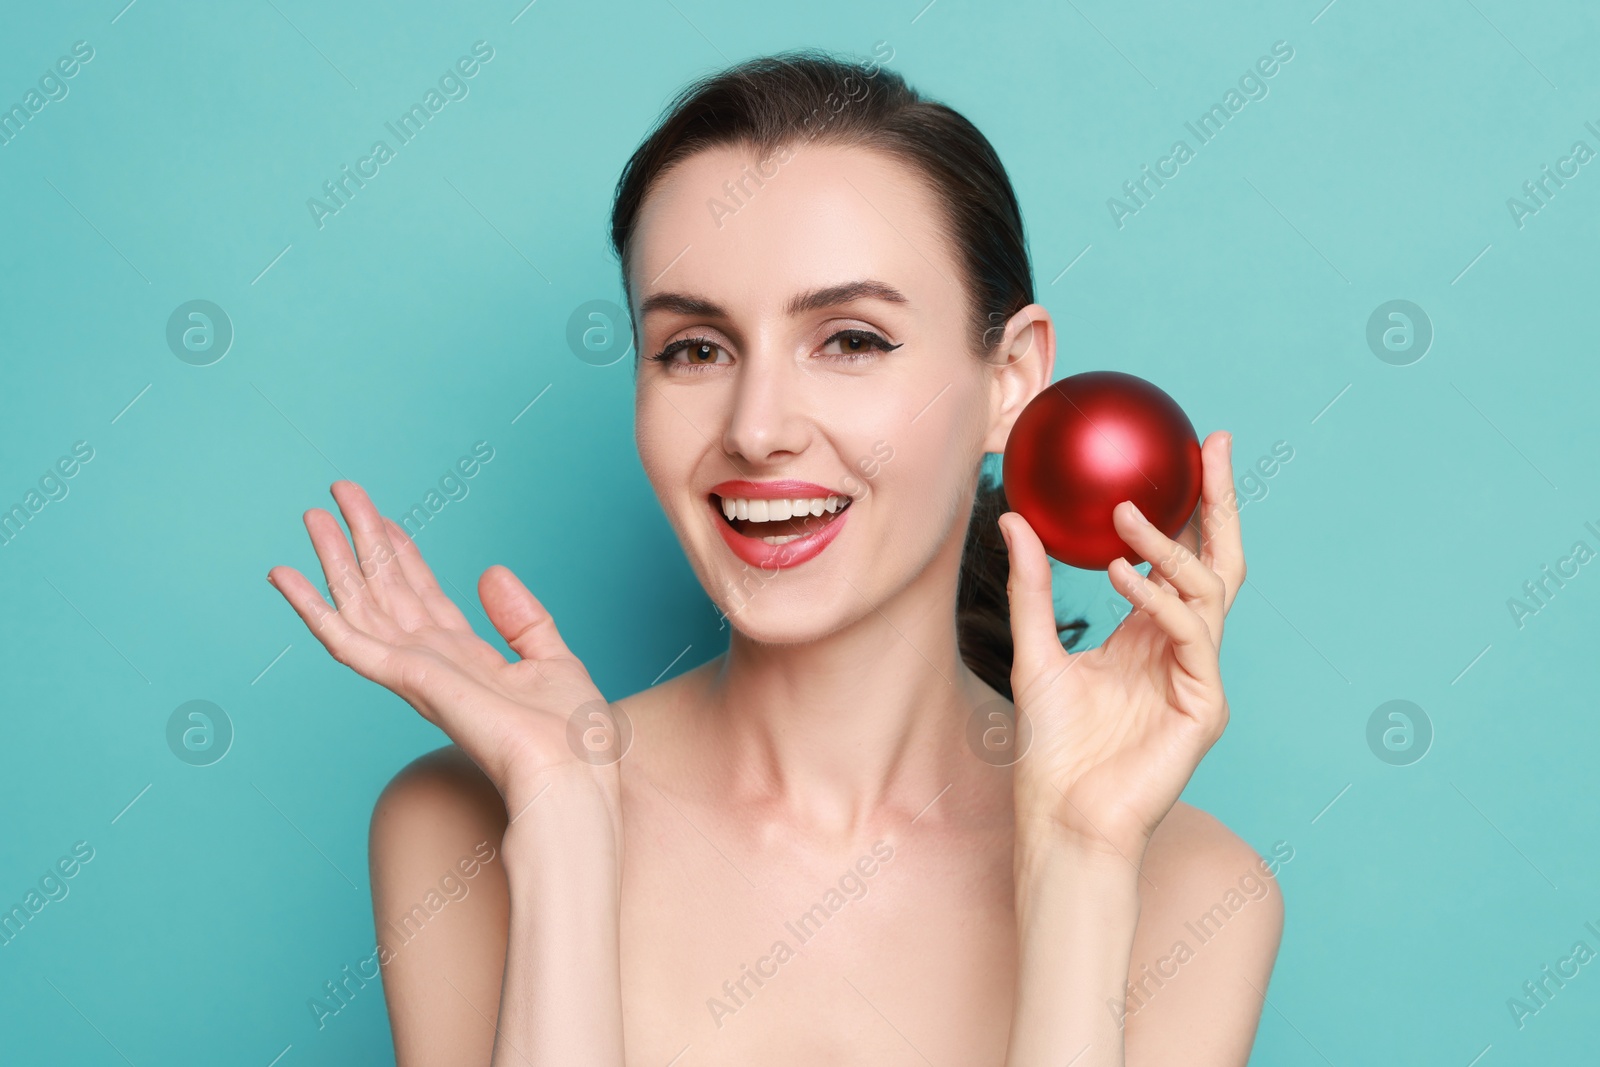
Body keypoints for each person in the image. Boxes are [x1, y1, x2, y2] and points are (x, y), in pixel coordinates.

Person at [267, 48, 1281, 1067]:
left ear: (1009, 377)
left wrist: (1080, 861)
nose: (756, 429)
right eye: (695, 348)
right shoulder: (463, 820)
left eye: (849, 339)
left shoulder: (1194, 889)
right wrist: (564, 831)